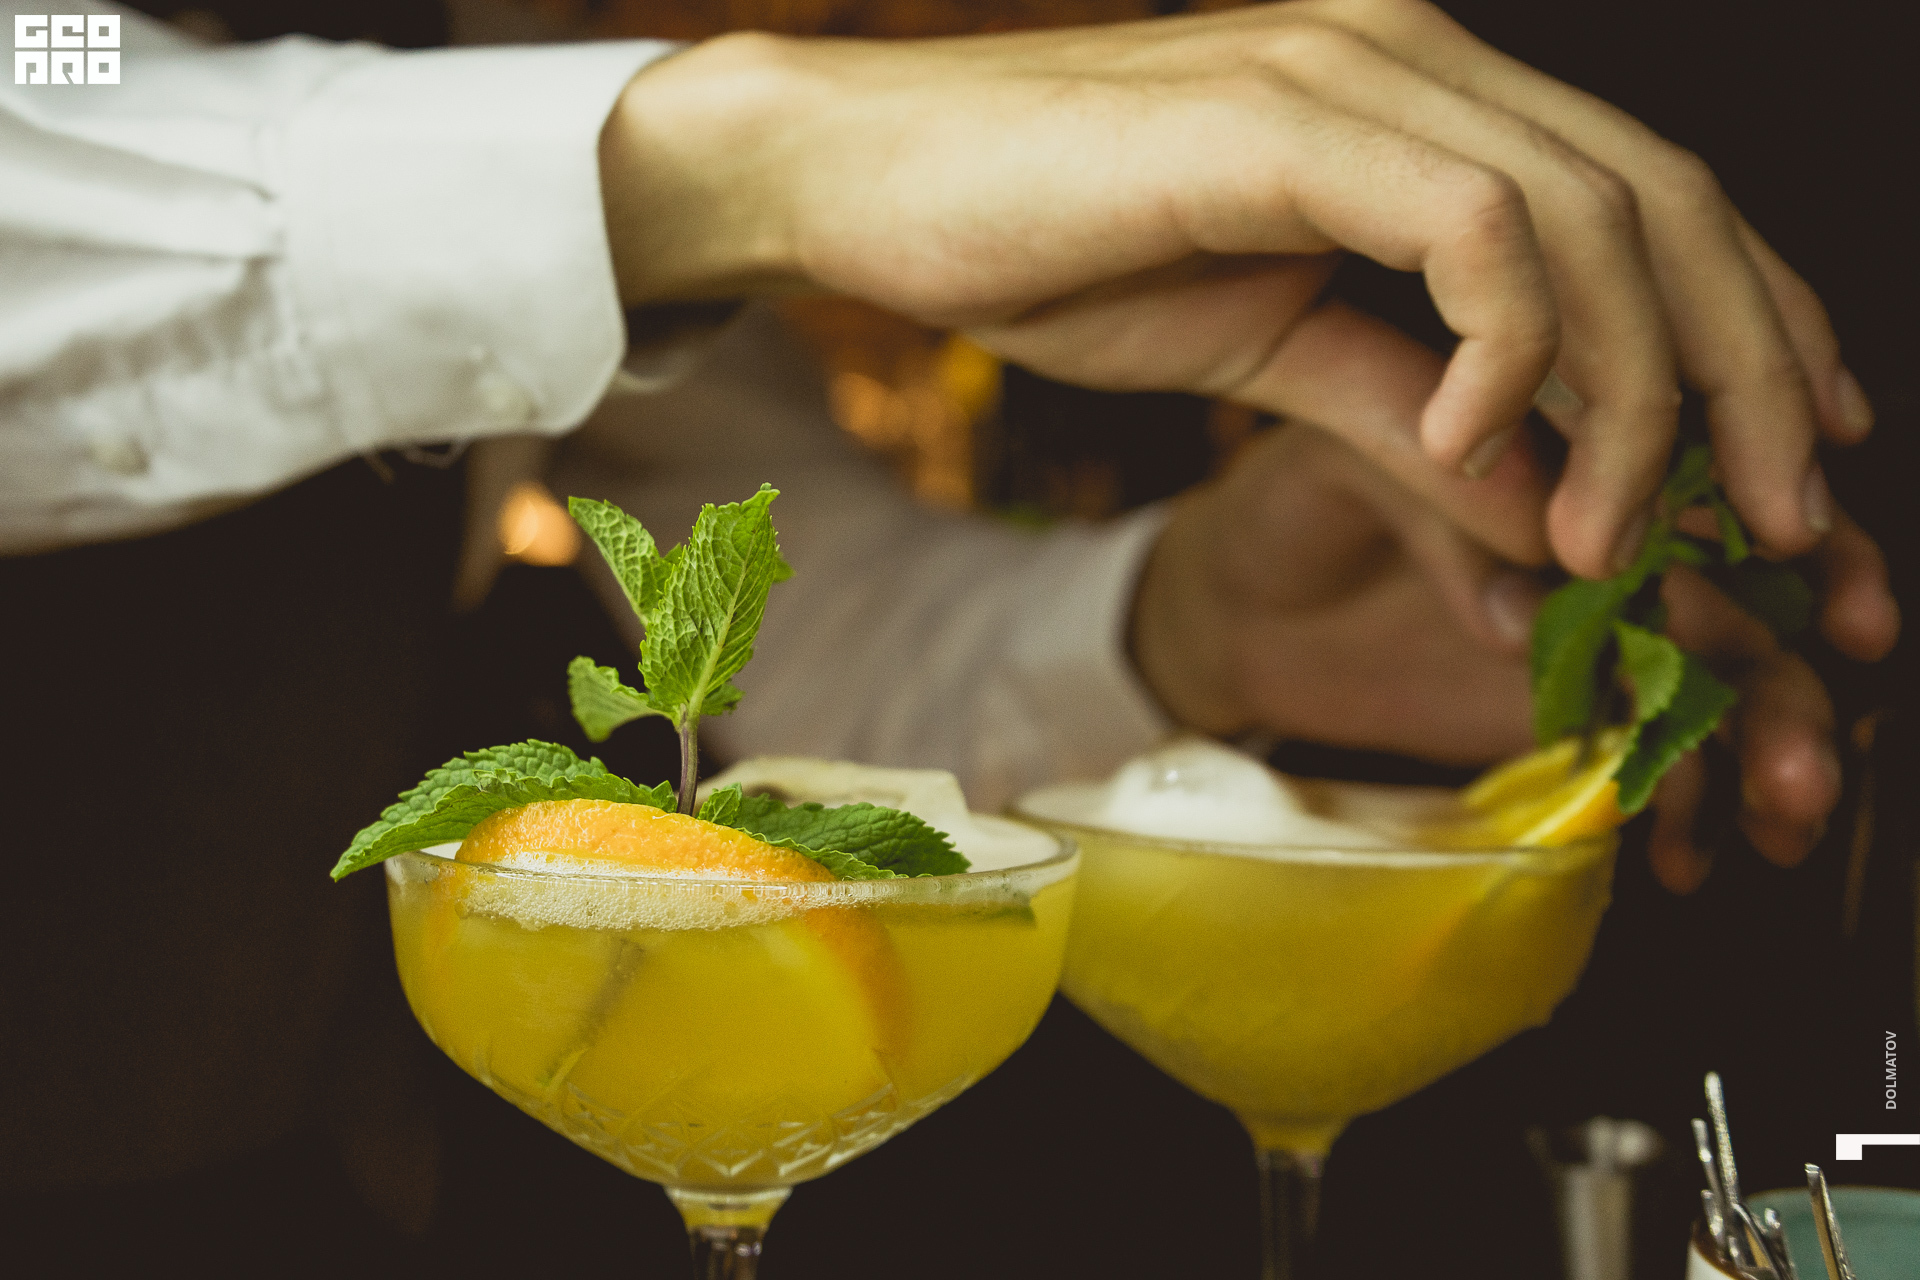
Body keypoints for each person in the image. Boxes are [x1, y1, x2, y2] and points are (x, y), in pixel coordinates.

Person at [0, 0, 1896, 1257]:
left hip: (293, 1192)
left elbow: (801, 591)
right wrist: (749, 150)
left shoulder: (483, 35)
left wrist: (1188, 622)